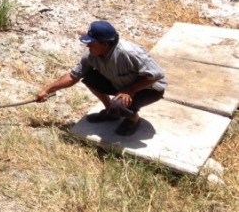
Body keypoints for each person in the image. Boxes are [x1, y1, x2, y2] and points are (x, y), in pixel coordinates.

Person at [36, 20, 166, 136]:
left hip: (149, 90)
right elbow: (72, 76)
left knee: (118, 104)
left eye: (92, 43)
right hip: (121, 85)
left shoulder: (129, 53)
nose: (88, 46)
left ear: (105, 44)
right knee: (90, 77)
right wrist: (47, 90)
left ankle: (133, 119)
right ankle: (110, 111)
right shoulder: (91, 55)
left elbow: (157, 74)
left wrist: (130, 90)